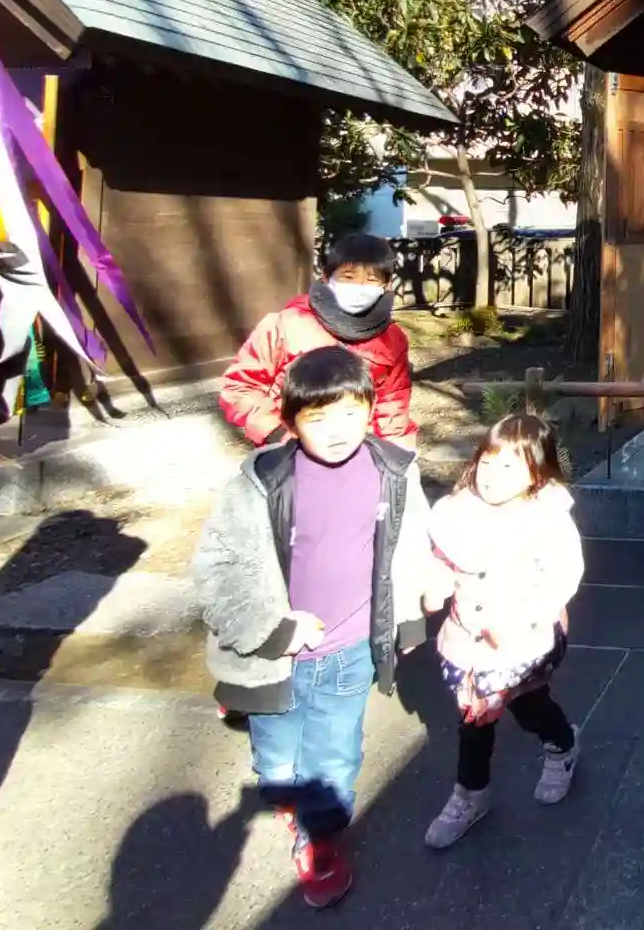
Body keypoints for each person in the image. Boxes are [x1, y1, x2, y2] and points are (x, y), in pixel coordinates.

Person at [192, 345, 435, 910]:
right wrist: (273, 627)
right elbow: (219, 568)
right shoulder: (261, 481)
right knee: (277, 753)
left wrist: (412, 612)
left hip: (351, 647)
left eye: (351, 412)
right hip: (275, 655)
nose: (338, 430)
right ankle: (285, 792)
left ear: (370, 410)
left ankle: (321, 839)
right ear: (291, 420)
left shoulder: (394, 470)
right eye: (319, 417)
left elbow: (411, 543)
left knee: (333, 754)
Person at [422, 414, 585, 850]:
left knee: (526, 706)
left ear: (537, 473)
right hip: (466, 639)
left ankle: (562, 745)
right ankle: (471, 794)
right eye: (488, 462)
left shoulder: (545, 520)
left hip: (522, 640)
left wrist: (519, 618)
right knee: (474, 717)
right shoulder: (458, 511)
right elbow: (442, 556)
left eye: (510, 466)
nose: (493, 475)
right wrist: (435, 583)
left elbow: (561, 577)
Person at [220, 233, 416, 452]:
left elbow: (393, 403)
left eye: (371, 280)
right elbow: (240, 387)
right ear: (326, 277)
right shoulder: (285, 324)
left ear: (386, 285)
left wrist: (396, 454)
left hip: (357, 450)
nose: (360, 286)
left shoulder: (392, 339)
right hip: (289, 447)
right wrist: (277, 434)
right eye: (348, 276)